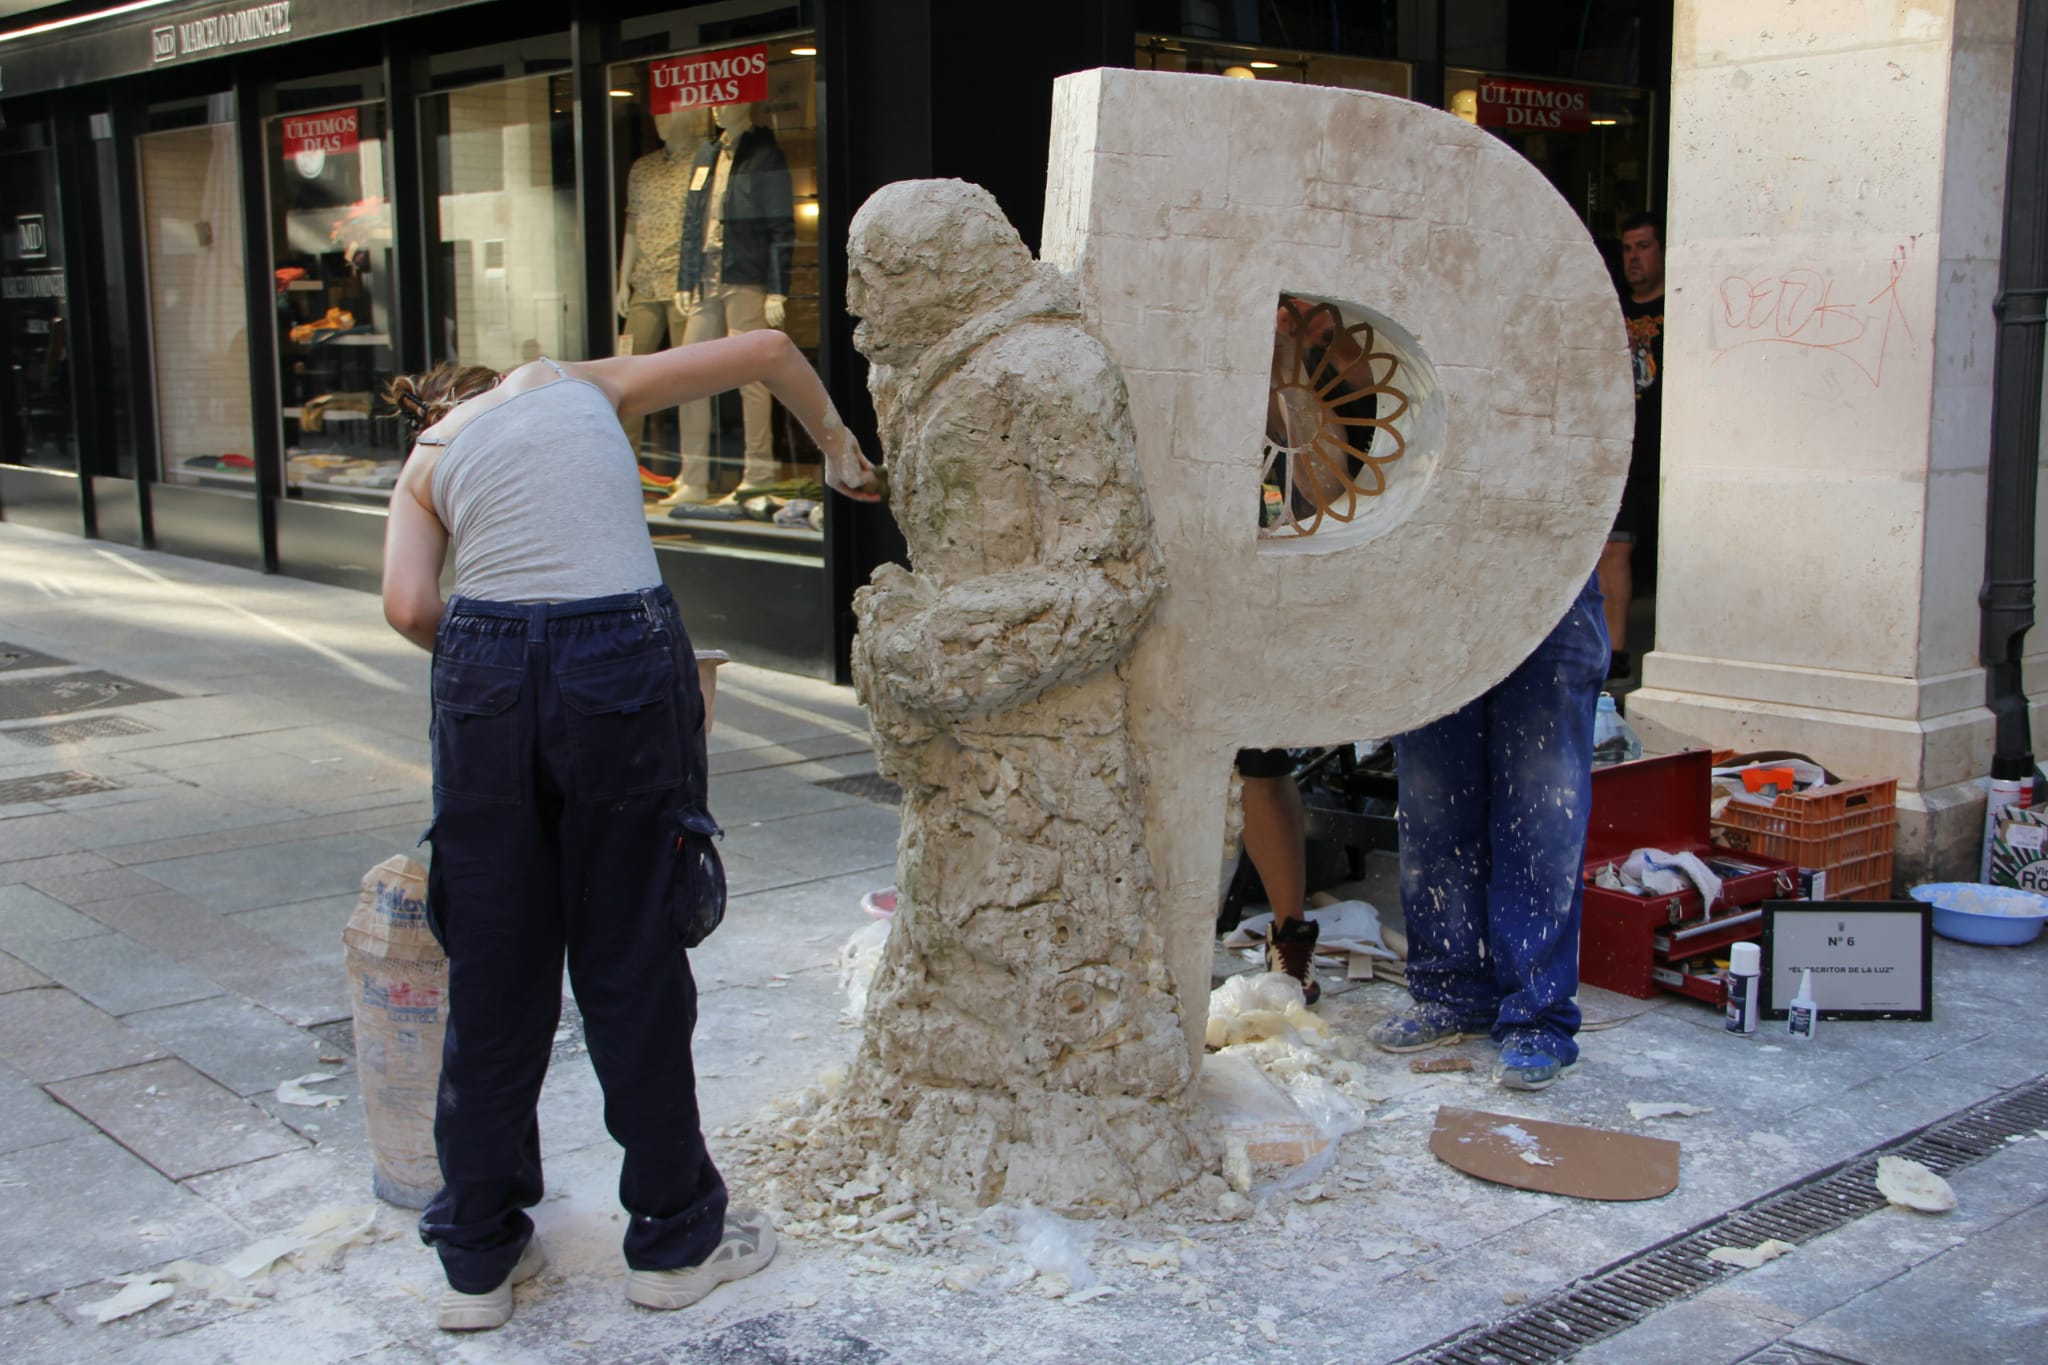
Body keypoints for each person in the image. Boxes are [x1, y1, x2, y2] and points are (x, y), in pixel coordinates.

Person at [379, 333, 877, 1332]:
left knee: (493, 969)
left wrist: (509, 665)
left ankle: (477, 1257)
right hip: (612, 649)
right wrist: (837, 451)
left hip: (481, 661)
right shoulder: (570, 383)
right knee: (628, 957)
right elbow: (771, 348)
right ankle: (673, 1239)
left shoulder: (426, 460)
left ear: (436, 410)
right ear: (494, 380)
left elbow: (409, 607)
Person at [1366, 574, 1609, 1090]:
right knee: (1436, 814)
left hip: (1551, 586)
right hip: (1433, 598)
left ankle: (1536, 1015)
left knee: (1541, 822)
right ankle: (1452, 992)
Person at [1242, 295, 1381, 1005]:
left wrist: (1298, 356)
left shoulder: (1342, 377)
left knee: (1259, 758)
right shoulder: (1236, 353)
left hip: (1273, 578)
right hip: (1207, 563)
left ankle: (1290, 943)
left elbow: (1324, 480)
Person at [1599, 210, 1664, 679]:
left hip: (1670, 448)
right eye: (1627, 248)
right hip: (1624, 446)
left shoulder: (1677, 308)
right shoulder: (1611, 311)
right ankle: (1615, 651)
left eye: (1643, 247)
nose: (1634, 258)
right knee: (1613, 550)